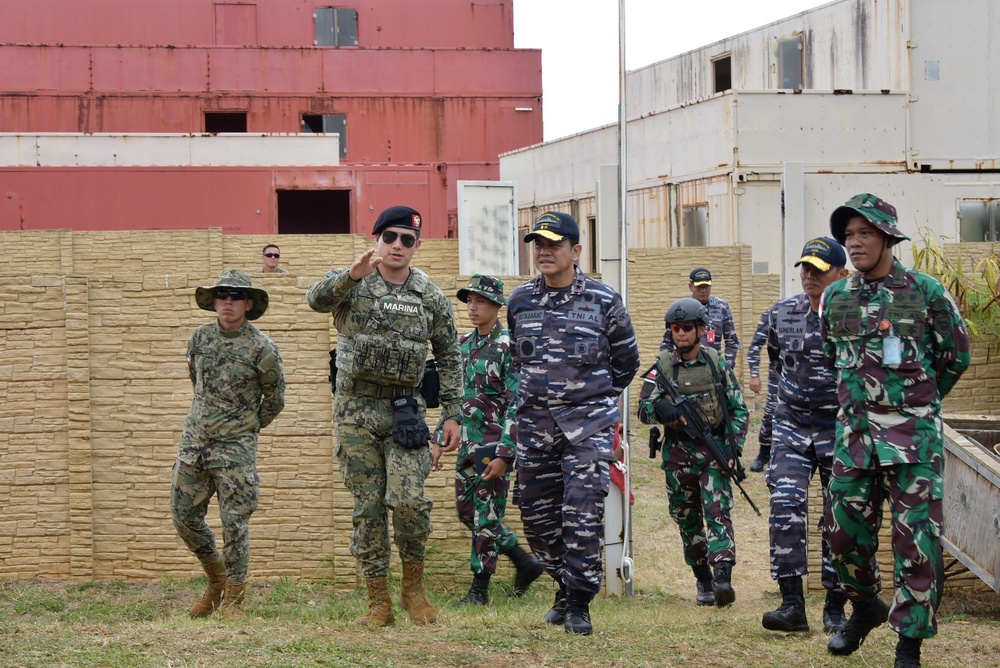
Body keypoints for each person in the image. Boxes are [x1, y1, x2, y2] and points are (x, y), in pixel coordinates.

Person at [820, 194, 971, 668]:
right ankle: (864, 606)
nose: (855, 243)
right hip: (855, 439)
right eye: (848, 236)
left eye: (864, 234)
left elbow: (956, 355)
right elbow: (833, 358)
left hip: (913, 440)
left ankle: (908, 644)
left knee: (917, 544)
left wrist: (918, 403)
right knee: (841, 532)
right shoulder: (836, 296)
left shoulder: (925, 291)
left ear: (888, 237)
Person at [306, 205, 462, 628]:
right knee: (368, 508)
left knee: (410, 502)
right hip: (356, 412)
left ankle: (414, 588)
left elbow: (449, 355)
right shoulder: (353, 282)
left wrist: (453, 413)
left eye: (406, 240)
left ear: (416, 246)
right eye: (389, 238)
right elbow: (315, 300)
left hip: (404, 413)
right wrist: (351, 276)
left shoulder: (428, 295)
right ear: (376, 240)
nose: (397, 246)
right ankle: (379, 601)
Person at [507, 211, 640, 635]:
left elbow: (627, 363)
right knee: (537, 519)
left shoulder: (604, 300)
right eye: (538, 245)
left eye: (554, 244)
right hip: (535, 430)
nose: (544, 251)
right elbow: (518, 362)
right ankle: (564, 584)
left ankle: (580, 602)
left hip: (588, 429)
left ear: (576, 250)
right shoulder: (520, 301)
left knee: (582, 512)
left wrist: (590, 400)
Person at [171, 269, 286, 620]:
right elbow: (197, 382)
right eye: (222, 295)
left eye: (236, 296)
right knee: (183, 516)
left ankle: (235, 596)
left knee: (235, 523)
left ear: (248, 304)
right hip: (196, 444)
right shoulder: (200, 338)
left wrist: (246, 427)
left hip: (235, 450)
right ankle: (216, 577)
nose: (228, 302)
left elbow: (275, 399)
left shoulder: (261, 347)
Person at [760, 237, 851, 635]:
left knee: (841, 518)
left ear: (842, 274)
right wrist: (771, 427)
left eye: (819, 268)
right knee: (785, 507)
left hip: (840, 429)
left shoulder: (853, 316)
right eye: (805, 267)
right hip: (793, 428)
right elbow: (777, 363)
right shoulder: (782, 313)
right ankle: (792, 605)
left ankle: (835, 605)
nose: (809, 275)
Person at [638, 297, 749, 609]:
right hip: (678, 455)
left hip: (713, 451)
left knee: (718, 511)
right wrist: (660, 409)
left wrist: (731, 447)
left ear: (701, 329)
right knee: (686, 517)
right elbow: (643, 410)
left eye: (687, 327)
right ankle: (702, 577)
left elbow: (739, 410)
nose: (681, 333)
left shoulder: (716, 363)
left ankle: (723, 577)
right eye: (675, 328)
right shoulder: (662, 367)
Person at [444, 274, 543, 606]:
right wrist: (440, 435)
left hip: (493, 446)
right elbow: (454, 397)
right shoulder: (464, 346)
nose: (473, 307)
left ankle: (480, 590)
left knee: (485, 516)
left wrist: (506, 452)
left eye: (480, 301)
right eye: (470, 301)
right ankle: (523, 561)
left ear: (497, 306)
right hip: (467, 445)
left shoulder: (508, 346)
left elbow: (518, 404)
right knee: (467, 511)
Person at [660, 267, 740, 369]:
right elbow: (667, 342)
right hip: (686, 367)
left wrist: (728, 367)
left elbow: (731, 341)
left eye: (706, 286)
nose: (703, 291)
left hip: (713, 366)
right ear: (691, 286)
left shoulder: (722, 307)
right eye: (699, 287)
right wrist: (667, 367)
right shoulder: (682, 308)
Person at [746, 309, 778, 472]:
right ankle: (763, 454)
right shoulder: (776, 312)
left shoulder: (824, 309)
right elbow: (755, 346)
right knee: (771, 415)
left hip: (813, 376)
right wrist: (754, 375)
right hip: (780, 374)